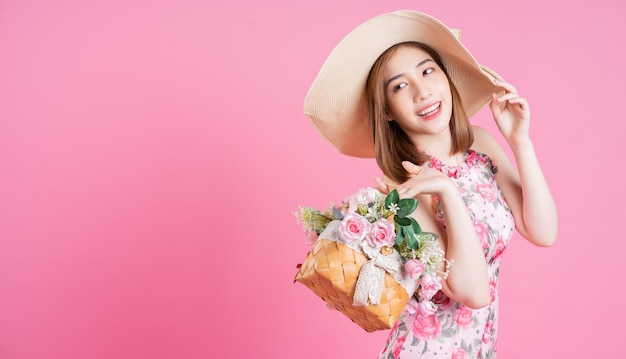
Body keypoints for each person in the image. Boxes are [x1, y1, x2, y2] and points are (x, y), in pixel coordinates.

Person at [303, 10, 558, 359]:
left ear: (445, 77)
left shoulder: (481, 145)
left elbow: (542, 231)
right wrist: (448, 194)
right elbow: (472, 292)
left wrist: (520, 142)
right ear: (388, 110)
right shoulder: (403, 183)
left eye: (427, 71)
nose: (422, 91)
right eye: (400, 85)